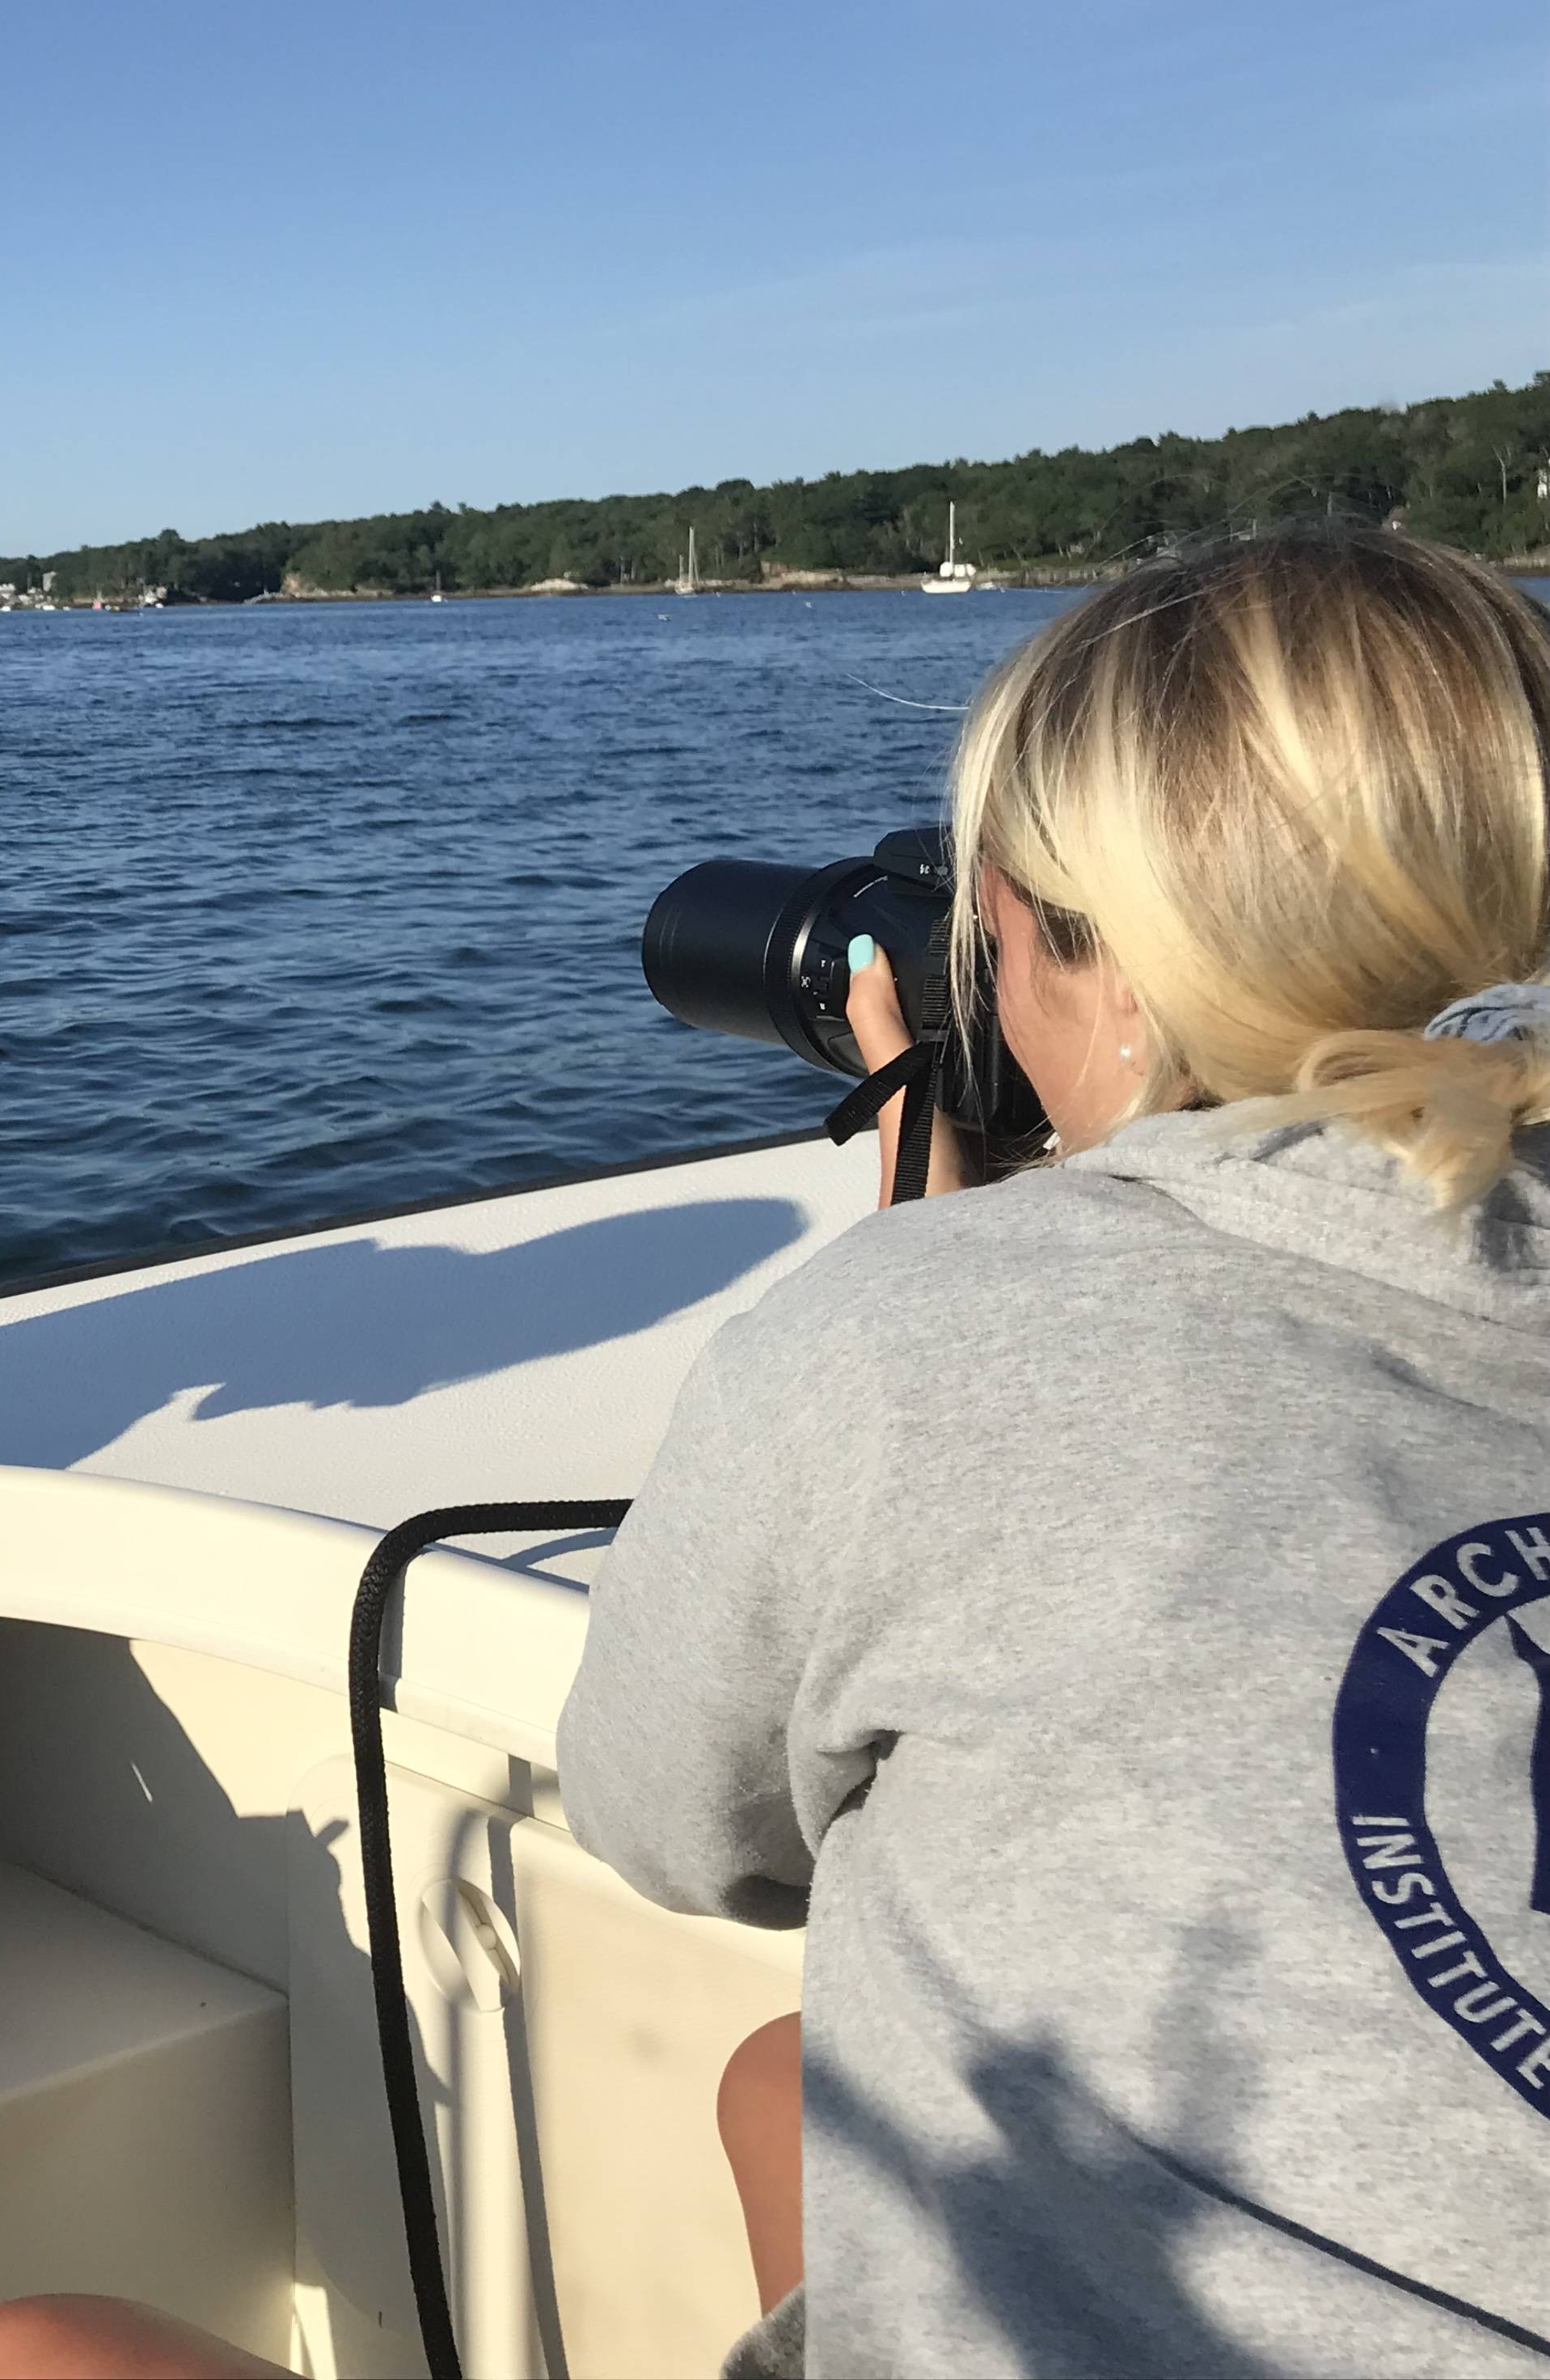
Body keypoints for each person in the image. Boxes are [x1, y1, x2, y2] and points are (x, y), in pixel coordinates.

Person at [560, 525, 1550, 2375]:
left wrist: (939, 1259)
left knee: (46, 2334)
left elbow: (668, 1822)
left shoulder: (907, 1342)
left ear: (1107, 964)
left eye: (990, 921)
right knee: (790, 2085)